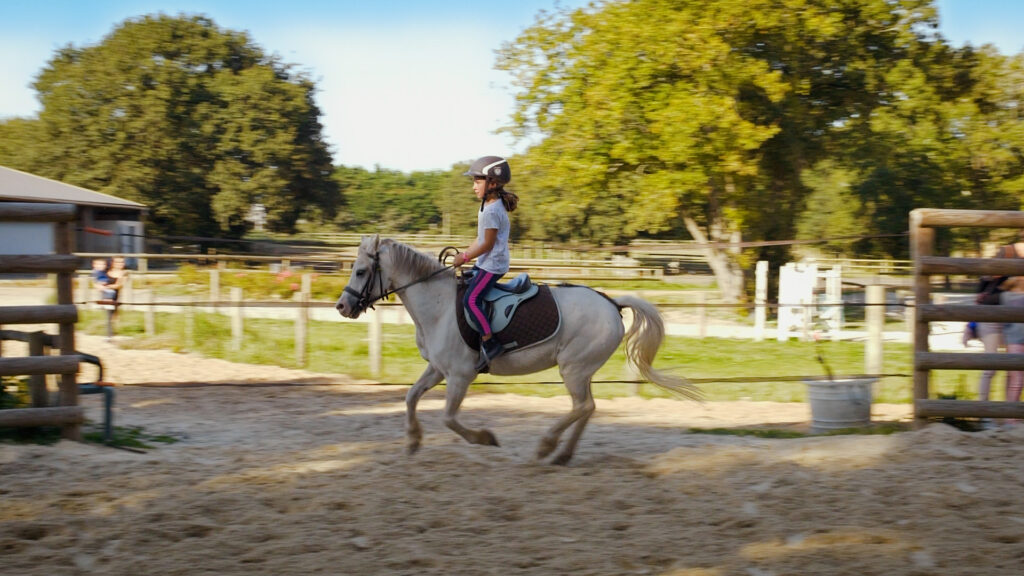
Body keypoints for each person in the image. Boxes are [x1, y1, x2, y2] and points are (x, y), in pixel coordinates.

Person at [452, 155, 519, 372]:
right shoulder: (488, 206)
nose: (473, 187)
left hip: (493, 265)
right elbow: (480, 238)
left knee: (471, 300)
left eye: (477, 181)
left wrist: (464, 257)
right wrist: (465, 253)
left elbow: (487, 244)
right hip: (486, 262)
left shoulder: (492, 210)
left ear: (492, 183)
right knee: (463, 289)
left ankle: (490, 342)